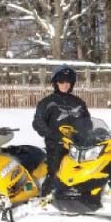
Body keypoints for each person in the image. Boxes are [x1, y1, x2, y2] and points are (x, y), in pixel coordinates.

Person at [32, 65, 91, 196]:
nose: (65, 85)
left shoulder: (78, 102)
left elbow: (87, 121)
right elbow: (38, 122)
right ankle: (48, 194)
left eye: (68, 82)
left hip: (77, 143)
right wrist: (51, 134)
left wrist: (87, 132)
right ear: (55, 83)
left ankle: (86, 192)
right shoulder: (47, 102)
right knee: (55, 169)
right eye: (61, 82)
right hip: (56, 143)